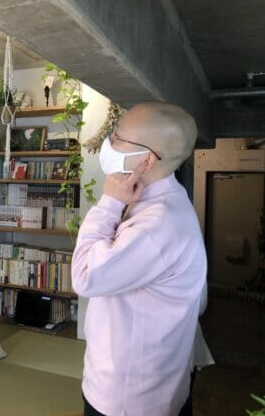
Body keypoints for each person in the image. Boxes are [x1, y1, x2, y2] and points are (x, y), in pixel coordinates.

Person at [71, 101, 207, 416]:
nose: (108, 143)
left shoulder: (156, 225)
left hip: (129, 398)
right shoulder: (163, 199)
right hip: (146, 383)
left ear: (146, 159)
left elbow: (85, 275)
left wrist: (108, 203)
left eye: (117, 137)